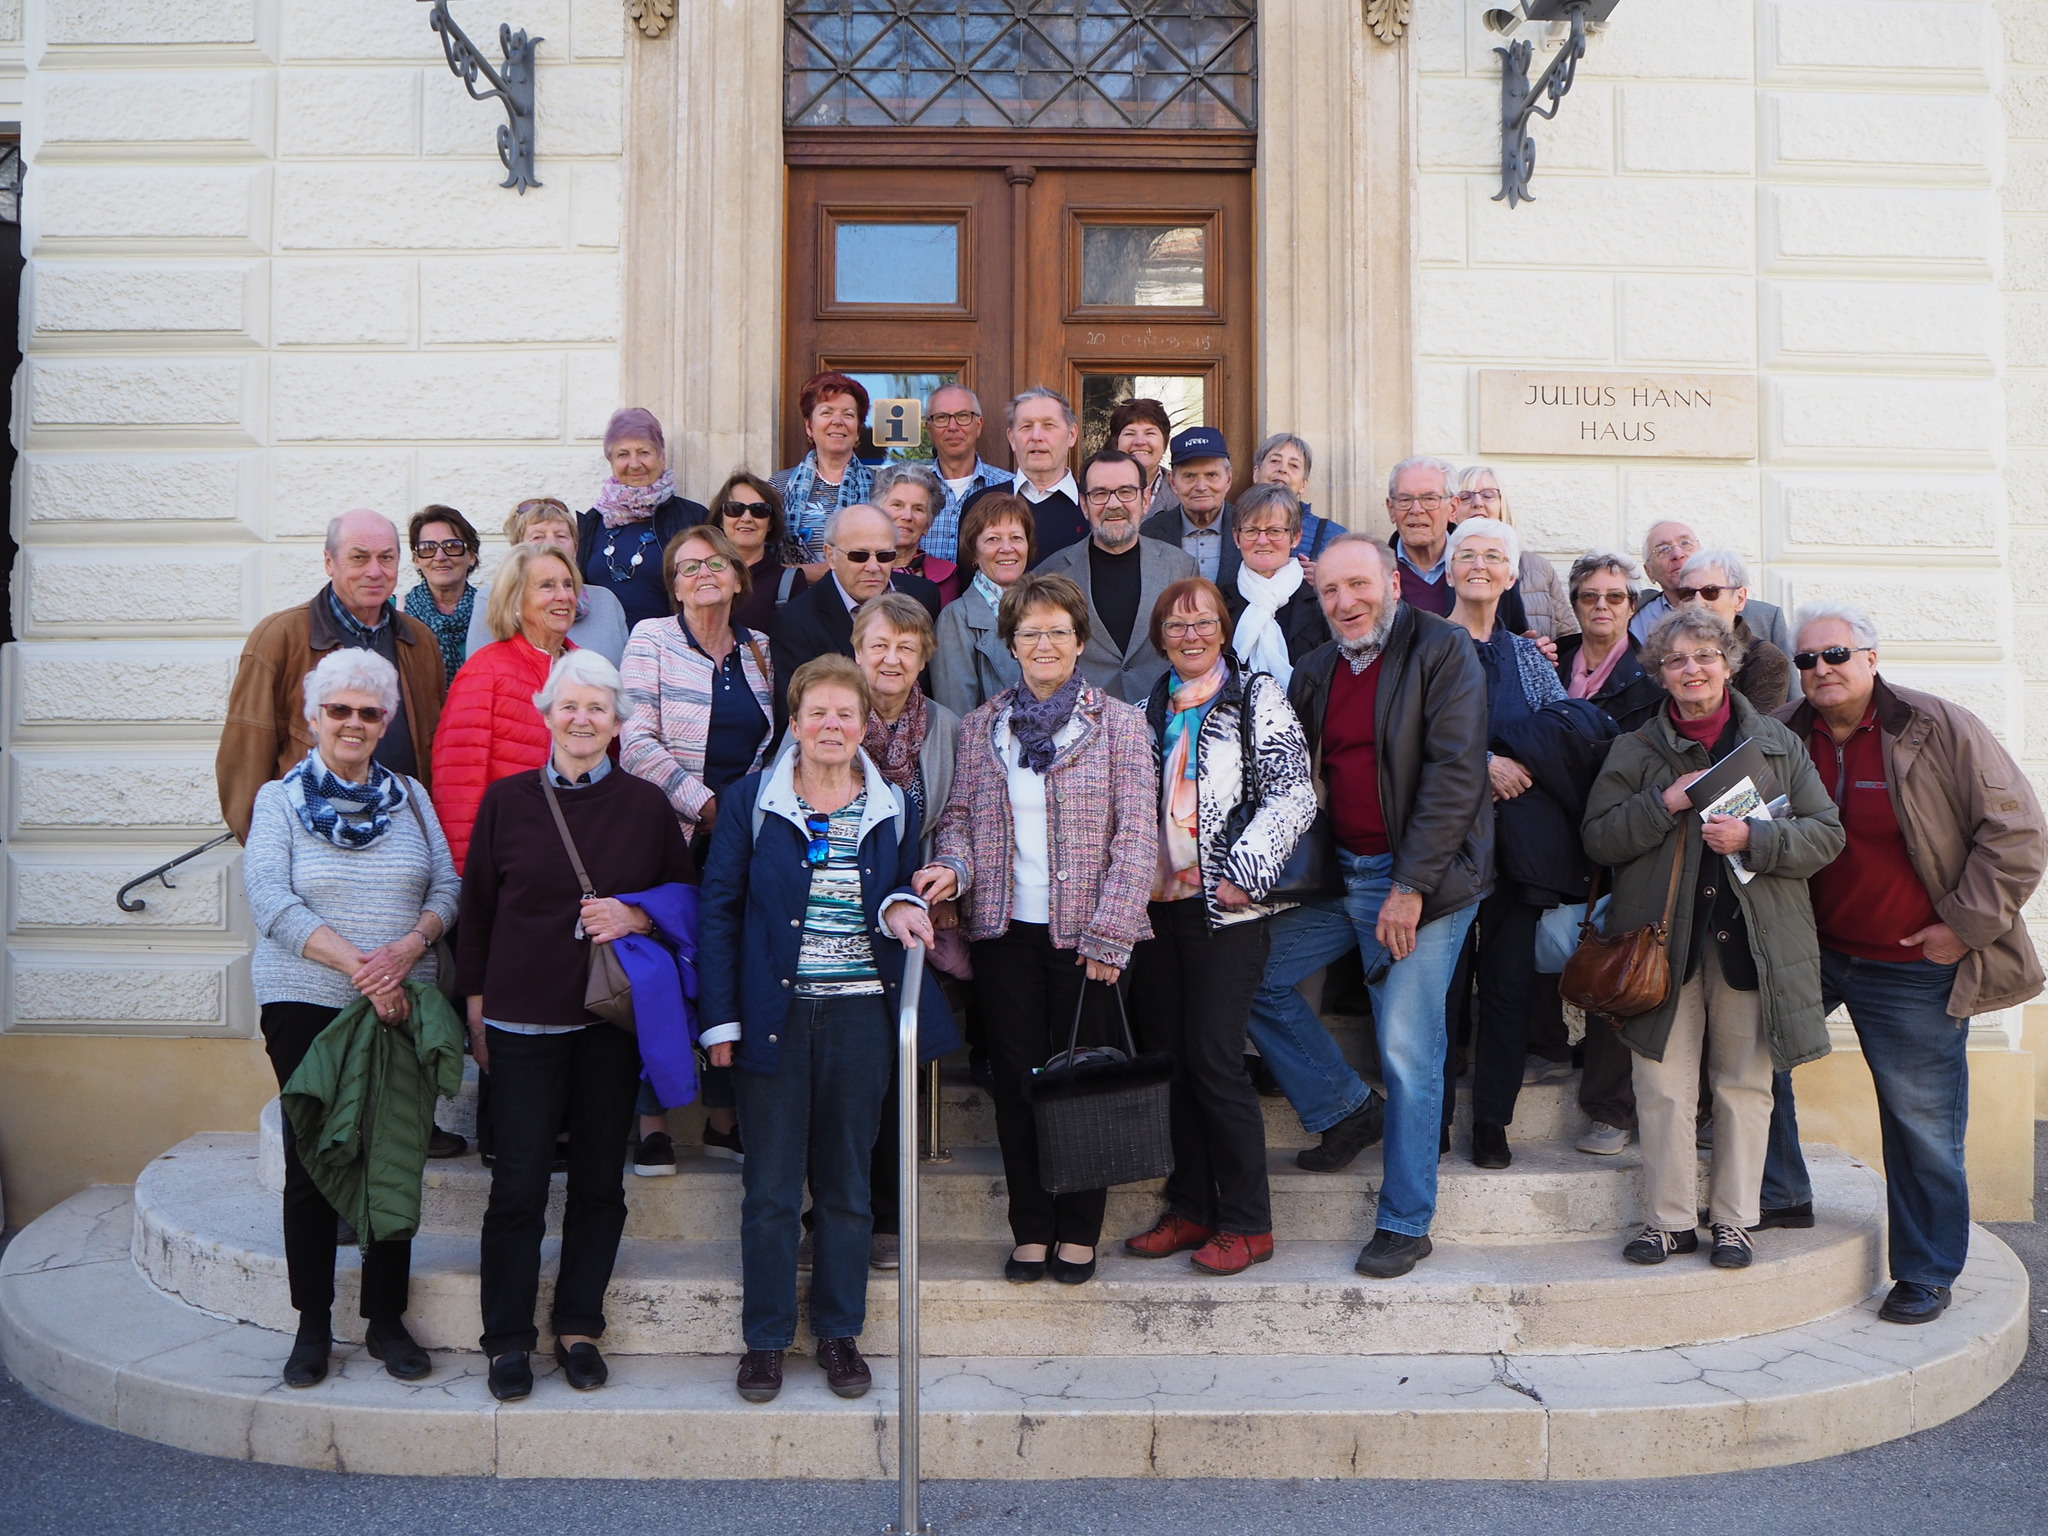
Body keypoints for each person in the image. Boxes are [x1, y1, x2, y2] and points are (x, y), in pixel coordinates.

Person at [1759, 605, 2045, 1324]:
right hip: (1813, 950)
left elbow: (2017, 834)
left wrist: (1962, 927)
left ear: (1871, 657)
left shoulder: (1938, 727)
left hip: (1912, 963)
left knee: (1919, 1122)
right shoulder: (1784, 730)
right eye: (1806, 660)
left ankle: (1926, 1270)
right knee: (1748, 1060)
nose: (1820, 670)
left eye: (1835, 655)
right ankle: (1781, 1194)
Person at [699, 654, 958, 1404]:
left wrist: (903, 907)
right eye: (819, 713)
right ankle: (766, 1341)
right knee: (771, 1189)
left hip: (859, 1015)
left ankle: (841, 1334)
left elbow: (896, 894)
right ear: (795, 723)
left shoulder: (891, 806)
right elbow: (719, 912)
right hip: (772, 1014)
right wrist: (721, 1019)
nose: (833, 726)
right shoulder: (751, 801)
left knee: (848, 1187)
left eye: (847, 714)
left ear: (863, 726)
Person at [1241, 535, 1491, 1278]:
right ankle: (1348, 1107)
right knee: (1253, 975)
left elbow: (1454, 775)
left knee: (1410, 1053)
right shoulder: (1316, 668)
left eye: (1359, 586)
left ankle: (1406, 1221)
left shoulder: (1442, 650)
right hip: (1339, 875)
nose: (1346, 603)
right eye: (1331, 593)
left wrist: (1409, 888)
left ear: (1392, 582)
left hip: (1423, 880)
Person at [459, 649, 696, 1403]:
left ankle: (579, 1327)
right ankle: (506, 1341)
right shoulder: (506, 802)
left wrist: (634, 912)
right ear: (546, 713)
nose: (583, 718)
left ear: (619, 720)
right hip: (522, 1017)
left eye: (598, 707)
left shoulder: (646, 807)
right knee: (519, 1184)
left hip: (608, 1020)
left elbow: (684, 901)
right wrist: (474, 1004)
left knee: (599, 1182)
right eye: (570, 705)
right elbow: (479, 912)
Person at [916, 572, 1159, 1287]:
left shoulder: (1118, 723)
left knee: (1085, 1088)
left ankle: (1079, 1231)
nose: (1044, 643)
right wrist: (951, 873)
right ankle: (1032, 1227)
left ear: (1079, 641)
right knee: (1019, 1087)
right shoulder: (984, 725)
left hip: (1091, 941)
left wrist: (1112, 932)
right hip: (1005, 936)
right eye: (1030, 632)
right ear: (1011, 644)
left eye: (1058, 631)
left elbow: (1137, 837)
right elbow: (958, 819)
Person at [1582, 610, 1843, 1271]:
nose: (1691, 669)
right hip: (1662, 947)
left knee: (1743, 1087)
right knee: (1663, 1088)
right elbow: (1599, 839)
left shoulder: (1779, 746)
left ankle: (1734, 1222)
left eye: (1704, 656)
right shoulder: (1635, 749)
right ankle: (1668, 1223)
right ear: (1660, 675)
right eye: (1676, 660)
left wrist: (1757, 838)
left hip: (1749, 945)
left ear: (1728, 665)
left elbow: (1826, 835)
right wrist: (1663, 804)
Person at [242, 649, 460, 1389]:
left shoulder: (413, 797)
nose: (354, 723)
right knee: (315, 1158)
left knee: (391, 1154)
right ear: (313, 718)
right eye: (340, 709)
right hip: (306, 998)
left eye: (370, 712)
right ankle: (312, 1324)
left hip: (402, 999)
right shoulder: (278, 800)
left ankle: (386, 1318)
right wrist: (361, 969)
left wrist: (405, 950)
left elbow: (449, 887)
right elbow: (271, 900)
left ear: (387, 722)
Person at [1121, 579, 1316, 1275]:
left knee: (1213, 1062)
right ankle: (1192, 1205)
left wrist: (1247, 868)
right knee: (1171, 1065)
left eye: (1204, 621)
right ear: (1160, 636)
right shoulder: (1147, 706)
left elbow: (1295, 794)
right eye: (1177, 624)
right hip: (1157, 911)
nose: (1191, 633)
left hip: (1226, 910)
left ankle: (1247, 1222)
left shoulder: (1256, 696)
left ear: (1223, 628)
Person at [617, 522, 774, 1173]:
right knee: (659, 971)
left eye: (716, 564)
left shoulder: (762, 648)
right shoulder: (650, 639)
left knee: (729, 969)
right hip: (668, 834)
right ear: (673, 584)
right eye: (687, 567)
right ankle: (651, 1120)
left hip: (744, 841)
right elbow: (633, 740)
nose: (703, 574)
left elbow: (776, 743)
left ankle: (722, 1117)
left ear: (739, 577)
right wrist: (703, 805)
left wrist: (743, 816)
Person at [1442, 517, 1569, 1171]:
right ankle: (1431, 1119)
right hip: (1442, 845)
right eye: (1467, 554)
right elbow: (1405, 735)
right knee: (1440, 985)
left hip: (1517, 847)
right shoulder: (1423, 644)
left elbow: (1559, 732)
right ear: (1448, 566)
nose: (1481, 565)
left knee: (1509, 987)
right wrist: (1483, 763)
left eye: (1495, 556)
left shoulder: (1528, 656)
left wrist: (1515, 763)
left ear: (1513, 574)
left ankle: (1493, 1120)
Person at [219, 509, 446, 845]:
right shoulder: (279, 638)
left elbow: (432, 750)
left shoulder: (419, 640)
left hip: (400, 843)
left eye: (386, 558)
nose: (375, 571)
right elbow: (244, 761)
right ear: (329, 562)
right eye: (359, 557)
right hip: (312, 844)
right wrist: (270, 852)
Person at [1553, 550, 1664, 1157]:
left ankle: (1611, 1111)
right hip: (1551, 832)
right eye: (1590, 596)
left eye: (1615, 597)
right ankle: (1545, 1052)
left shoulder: (1649, 677)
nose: (1601, 606)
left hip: (1623, 835)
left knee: (1619, 965)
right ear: (1574, 603)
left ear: (1633, 605)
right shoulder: (1548, 659)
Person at [433, 543, 581, 872]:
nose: (563, 595)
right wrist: (469, 878)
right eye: (547, 585)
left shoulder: (587, 671)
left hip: (583, 855)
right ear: (516, 600)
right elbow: (459, 788)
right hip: (512, 862)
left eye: (568, 584)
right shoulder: (485, 671)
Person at [1036, 449, 1197, 704]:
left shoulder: (1180, 568)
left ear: (1145, 499)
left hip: (1164, 720)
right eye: (1100, 493)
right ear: (1084, 504)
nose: (1114, 504)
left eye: (1126, 492)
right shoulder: (1050, 575)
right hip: (1081, 726)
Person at [771, 503, 942, 709]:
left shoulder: (923, 596)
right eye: (858, 556)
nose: (872, 567)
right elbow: (795, 709)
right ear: (830, 556)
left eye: (884, 555)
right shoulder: (796, 621)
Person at [577, 408, 711, 632]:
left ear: (662, 457)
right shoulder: (593, 521)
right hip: (601, 653)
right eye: (622, 454)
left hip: (669, 650)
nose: (634, 463)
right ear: (611, 462)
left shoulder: (694, 518)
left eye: (643, 452)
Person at [465, 498, 632, 666]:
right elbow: (480, 668)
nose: (552, 543)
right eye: (538, 536)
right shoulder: (494, 598)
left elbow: (624, 674)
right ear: (519, 549)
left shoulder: (605, 600)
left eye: (561, 536)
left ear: (575, 548)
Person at [1382, 456, 1529, 635]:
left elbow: (1514, 634)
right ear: (1391, 509)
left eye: (1429, 499)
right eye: (1405, 500)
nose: (1416, 509)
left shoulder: (1490, 566)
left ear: (1453, 508)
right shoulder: (1376, 573)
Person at [930, 492, 1034, 718]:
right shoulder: (955, 619)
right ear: (974, 551)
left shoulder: (1048, 609)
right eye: (993, 539)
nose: (1007, 548)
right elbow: (958, 719)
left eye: (1016, 537)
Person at [1221, 481, 1329, 688]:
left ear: (1295, 537)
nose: (1262, 540)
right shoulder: (1218, 604)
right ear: (1236, 537)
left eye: (1274, 530)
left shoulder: (1322, 602)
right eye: (1251, 530)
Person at [959, 387, 1086, 561]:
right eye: (1026, 426)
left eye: (1048, 425)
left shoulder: (1093, 505)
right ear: (1012, 438)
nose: (1036, 436)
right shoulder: (979, 505)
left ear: (1071, 435)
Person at [1454, 464, 1575, 645]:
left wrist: (1539, 654)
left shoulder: (1538, 568)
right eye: (1465, 497)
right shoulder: (1444, 567)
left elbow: (1567, 637)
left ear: (1503, 505)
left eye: (1488, 495)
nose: (1477, 503)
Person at [1631, 520, 1790, 653]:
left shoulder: (1766, 617)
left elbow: (1791, 689)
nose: (1678, 553)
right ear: (1649, 572)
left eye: (1685, 543)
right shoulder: (1631, 617)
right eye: (1663, 549)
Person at [774, 372, 875, 563]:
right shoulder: (779, 485)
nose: (838, 421)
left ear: (858, 429)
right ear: (809, 426)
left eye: (848, 414)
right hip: (796, 591)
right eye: (827, 412)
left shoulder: (881, 486)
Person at [1670, 549, 1789, 712]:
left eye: (1711, 592)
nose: (1698, 603)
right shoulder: (1666, 653)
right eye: (1687, 594)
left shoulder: (1765, 659)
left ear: (1739, 599)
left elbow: (1759, 732)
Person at [703, 472, 808, 636]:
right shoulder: (701, 577)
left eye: (759, 510)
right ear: (720, 519)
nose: (746, 518)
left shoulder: (790, 582)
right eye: (735, 509)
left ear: (771, 523)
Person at [1140, 426, 1239, 587]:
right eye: (1189, 476)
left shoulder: (1251, 530)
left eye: (1211, 475)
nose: (1201, 486)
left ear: (1228, 479)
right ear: (1172, 482)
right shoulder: (1150, 533)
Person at [921, 383, 1008, 562]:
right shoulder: (914, 491)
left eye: (962, 416)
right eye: (941, 417)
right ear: (929, 428)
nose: (952, 426)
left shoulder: (1009, 488)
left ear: (979, 424)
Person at [404, 505, 482, 684]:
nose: (439, 556)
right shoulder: (396, 615)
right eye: (428, 547)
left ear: (471, 555)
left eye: (452, 546)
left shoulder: (493, 614)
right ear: (416, 559)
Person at [874, 461, 961, 605]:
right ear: (877, 513)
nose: (907, 516)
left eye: (918, 509)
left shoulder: (945, 578)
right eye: (897, 505)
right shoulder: (858, 568)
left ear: (928, 525)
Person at [1250, 432, 1340, 562]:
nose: (1282, 469)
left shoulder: (1333, 536)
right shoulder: (1232, 526)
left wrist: (1324, 575)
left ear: (1303, 484)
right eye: (1275, 461)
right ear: (1256, 473)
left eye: (1293, 465)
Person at [1110, 396, 1178, 519]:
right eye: (1130, 433)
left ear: (1165, 443)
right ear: (1116, 443)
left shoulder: (1181, 491)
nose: (1140, 442)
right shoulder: (1094, 489)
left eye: (1150, 433)